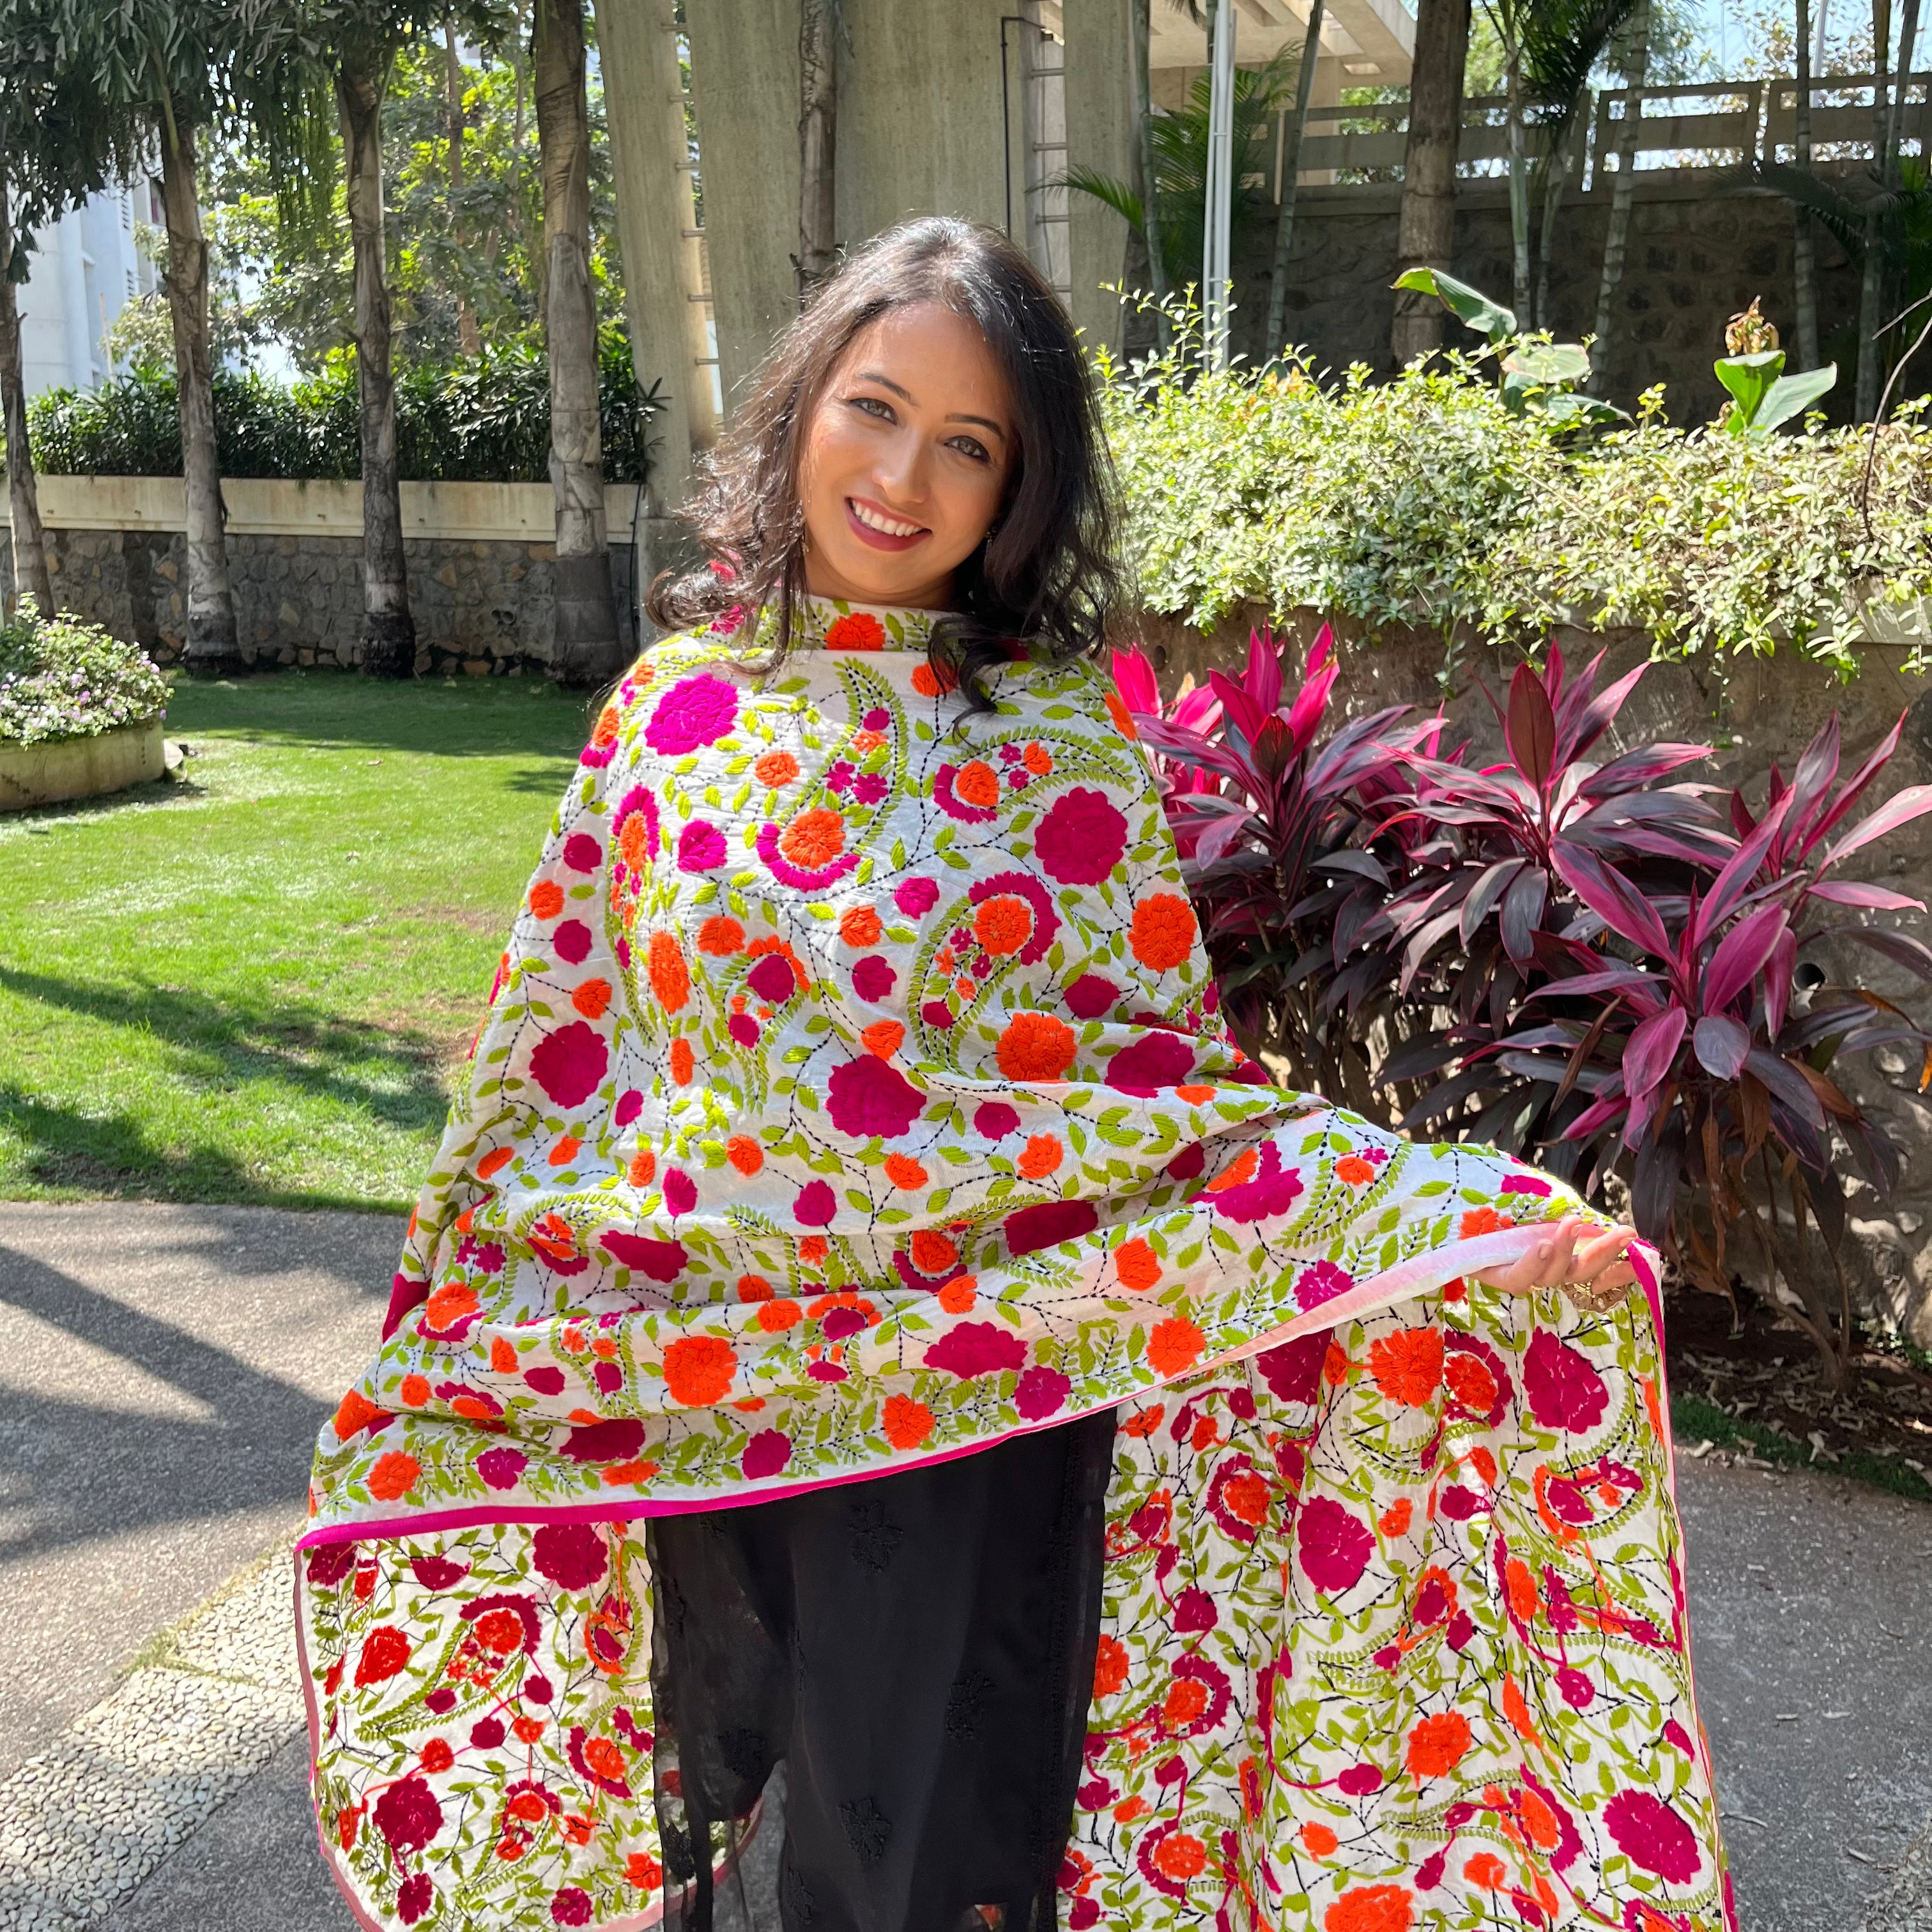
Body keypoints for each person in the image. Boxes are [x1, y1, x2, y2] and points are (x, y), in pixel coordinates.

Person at [295, 218, 1732, 1932]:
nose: (901, 476)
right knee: (697, 1814)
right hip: (703, 1391)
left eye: (967, 445)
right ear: (804, 405)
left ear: (1014, 495)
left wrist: (1464, 1227)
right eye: (876, 408)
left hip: (963, 1419)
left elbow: (1162, 1109)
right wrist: (455, 1320)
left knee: (913, 1875)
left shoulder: (1056, 744)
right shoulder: (670, 719)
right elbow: (561, 1068)